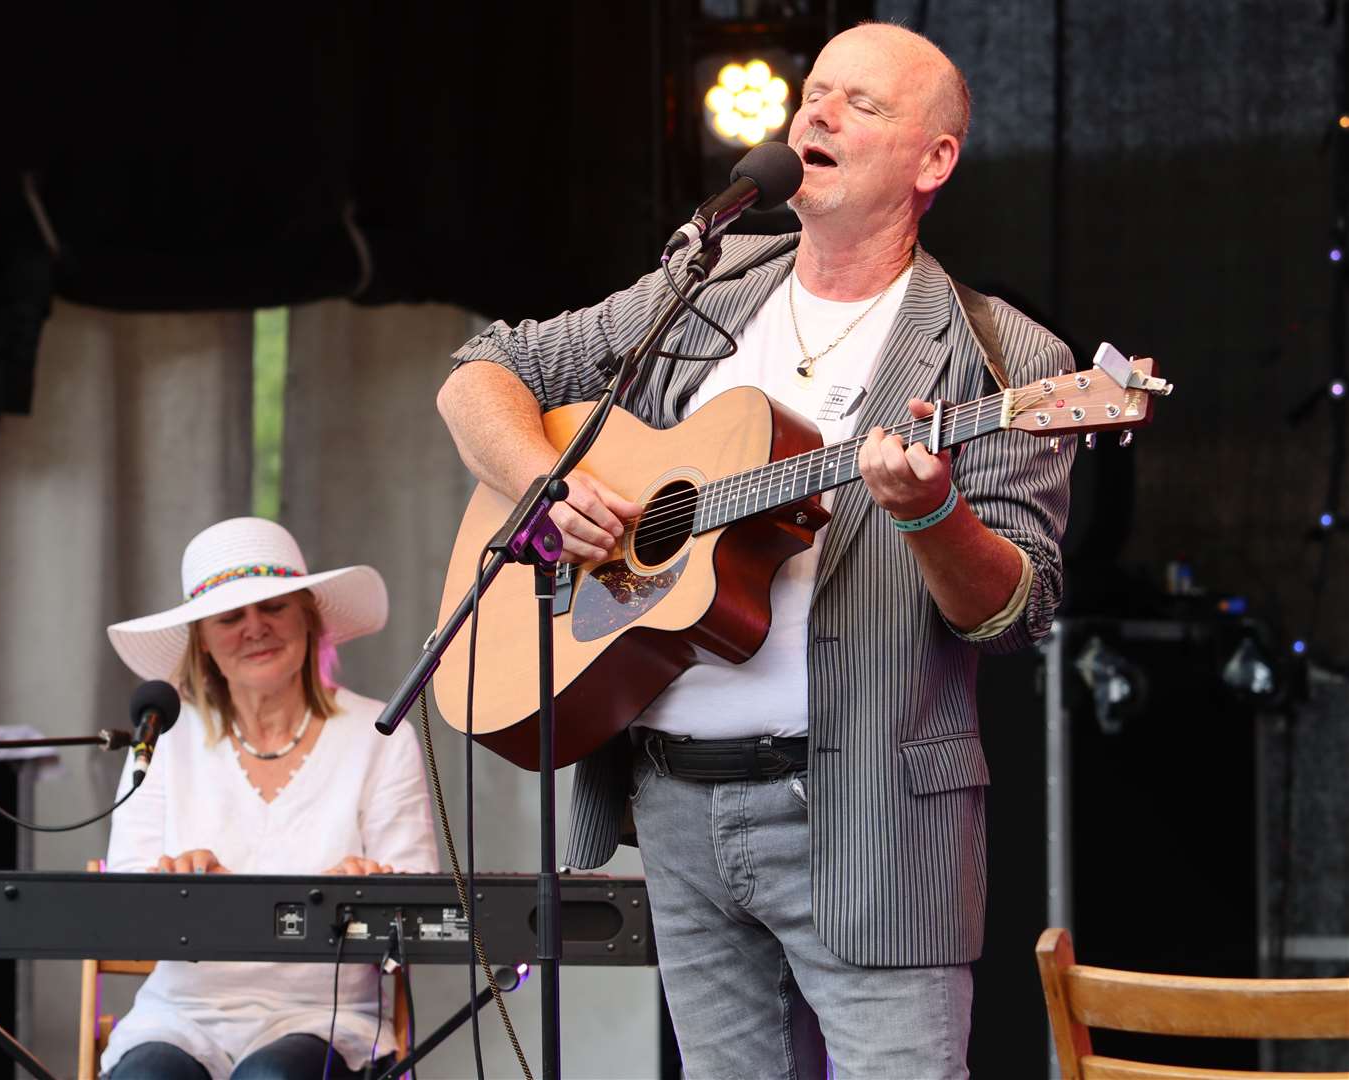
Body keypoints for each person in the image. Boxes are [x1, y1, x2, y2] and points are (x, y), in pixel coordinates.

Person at [436, 22, 1072, 1080]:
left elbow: (1016, 612)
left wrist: (928, 515)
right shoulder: (709, 284)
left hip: (869, 819)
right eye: (812, 93)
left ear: (934, 161)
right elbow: (483, 370)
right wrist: (543, 485)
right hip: (674, 807)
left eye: (859, 104)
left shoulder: (1006, 359)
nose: (814, 113)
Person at [98, 517, 438, 1080]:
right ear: (203, 641)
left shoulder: (379, 736)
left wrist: (370, 884)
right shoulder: (163, 739)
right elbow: (123, 908)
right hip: (179, 1016)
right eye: (230, 617)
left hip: (324, 1016)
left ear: (308, 617)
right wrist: (173, 882)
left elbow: (417, 898)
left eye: (274, 607)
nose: (255, 627)